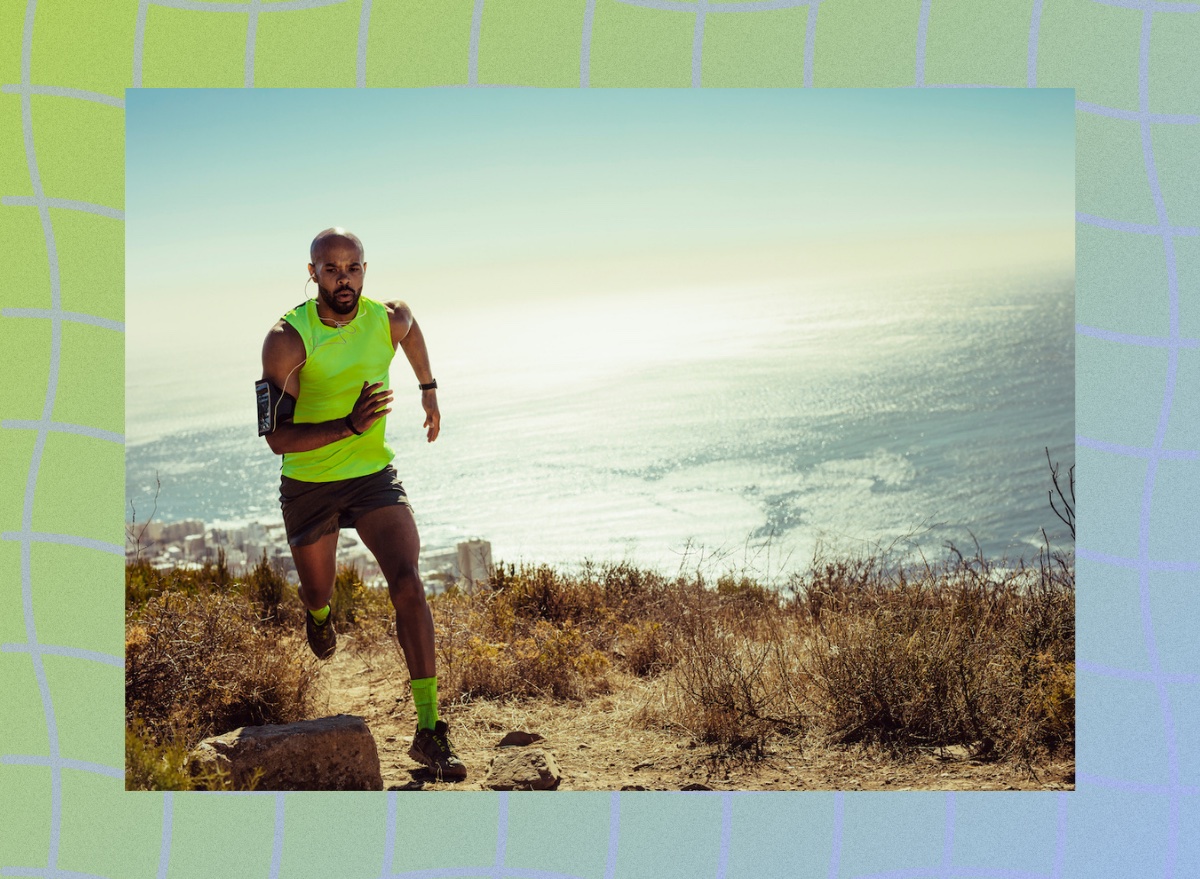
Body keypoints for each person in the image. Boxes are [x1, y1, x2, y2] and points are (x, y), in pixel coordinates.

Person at [258, 227, 466, 781]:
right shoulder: (287, 339)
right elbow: (277, 438)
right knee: (318, 590)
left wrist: (428, 386)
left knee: (408, 581)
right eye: (331, 269)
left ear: (364, 271)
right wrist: (349, 424)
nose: (343, 279)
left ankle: (429, 730)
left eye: (352, 268)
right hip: (310, 482)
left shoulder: (387, 316)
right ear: (313, 274)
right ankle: (319, 616)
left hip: (373, 475)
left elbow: (412, 329)